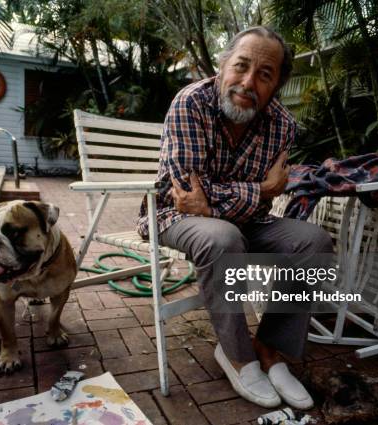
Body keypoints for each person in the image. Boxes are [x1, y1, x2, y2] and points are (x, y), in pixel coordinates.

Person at [136, 26, 333, 409]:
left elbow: (210, 199)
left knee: (315, 243)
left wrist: (216, 203)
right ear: (223, 65)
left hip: (247, 223)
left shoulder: (283, 125)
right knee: (221, 237)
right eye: (241, 66)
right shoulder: (190, 103)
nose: (247, 82)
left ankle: (268, 347)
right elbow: (186, 196)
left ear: (276, 85)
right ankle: (237, 355)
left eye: (264, 74)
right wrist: (259, 190)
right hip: (171, 216)